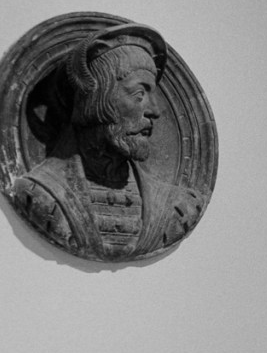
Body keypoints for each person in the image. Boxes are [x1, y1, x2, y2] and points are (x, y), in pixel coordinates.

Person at [11, 23, 206, 261]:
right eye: (139, 94)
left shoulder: (178, 207)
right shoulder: (41, 195)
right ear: (94, 101)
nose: (155, 111)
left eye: (152, 95)